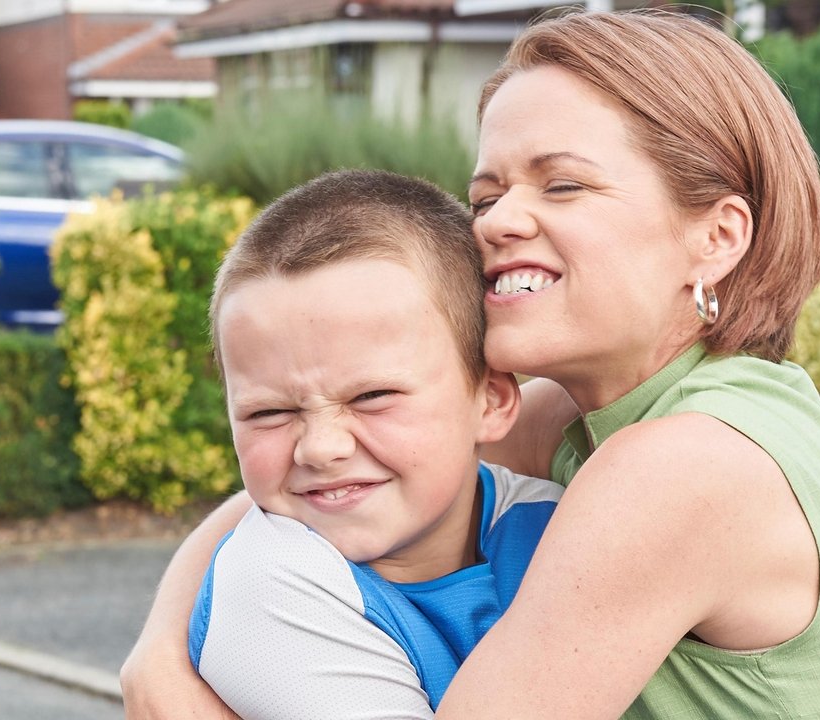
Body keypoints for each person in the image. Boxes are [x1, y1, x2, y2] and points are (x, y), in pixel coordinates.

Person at [123, 10, 820, 719]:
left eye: (562, 186)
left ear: (716, 236)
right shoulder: (654, 413)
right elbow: (318, 468)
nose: (495, 223)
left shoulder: (681, 466)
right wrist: (163, 643)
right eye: (486, 196)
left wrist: (177, 667)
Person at [187, 169, 563, 719]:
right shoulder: (266, 585)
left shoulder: (560, 518)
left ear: (491, 401)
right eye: (269, 412)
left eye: (372, 396)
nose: (321, 448)